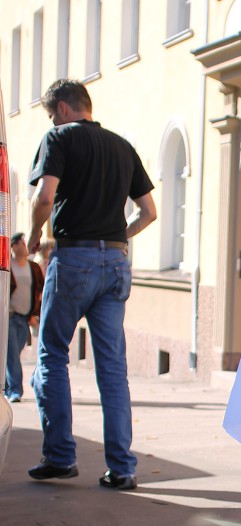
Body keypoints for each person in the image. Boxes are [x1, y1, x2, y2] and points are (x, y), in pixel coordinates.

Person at [26, 79, 157, 490]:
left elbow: (44, 198)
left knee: (51, 355)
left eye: (52, 113)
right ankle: (122, 468)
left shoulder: (59, 138)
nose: (52, 120)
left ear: (63, 109)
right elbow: (149, 212)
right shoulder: (122, 146)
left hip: (74, 259)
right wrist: (116, 240)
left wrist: (33, 236)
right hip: (116, 262)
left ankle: (61, 457)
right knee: (113, 369)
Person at [4, 233, 44, 403]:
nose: (25, 244)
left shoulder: (33, 267)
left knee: (14, 353)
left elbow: (39, 290)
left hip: (25, 317)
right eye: (22, 242)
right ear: (13, 246)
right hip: (9, 316)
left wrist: (35, 314)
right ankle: (15, 390)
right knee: (12, 353)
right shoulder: (7, 266)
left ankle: (6, 385)